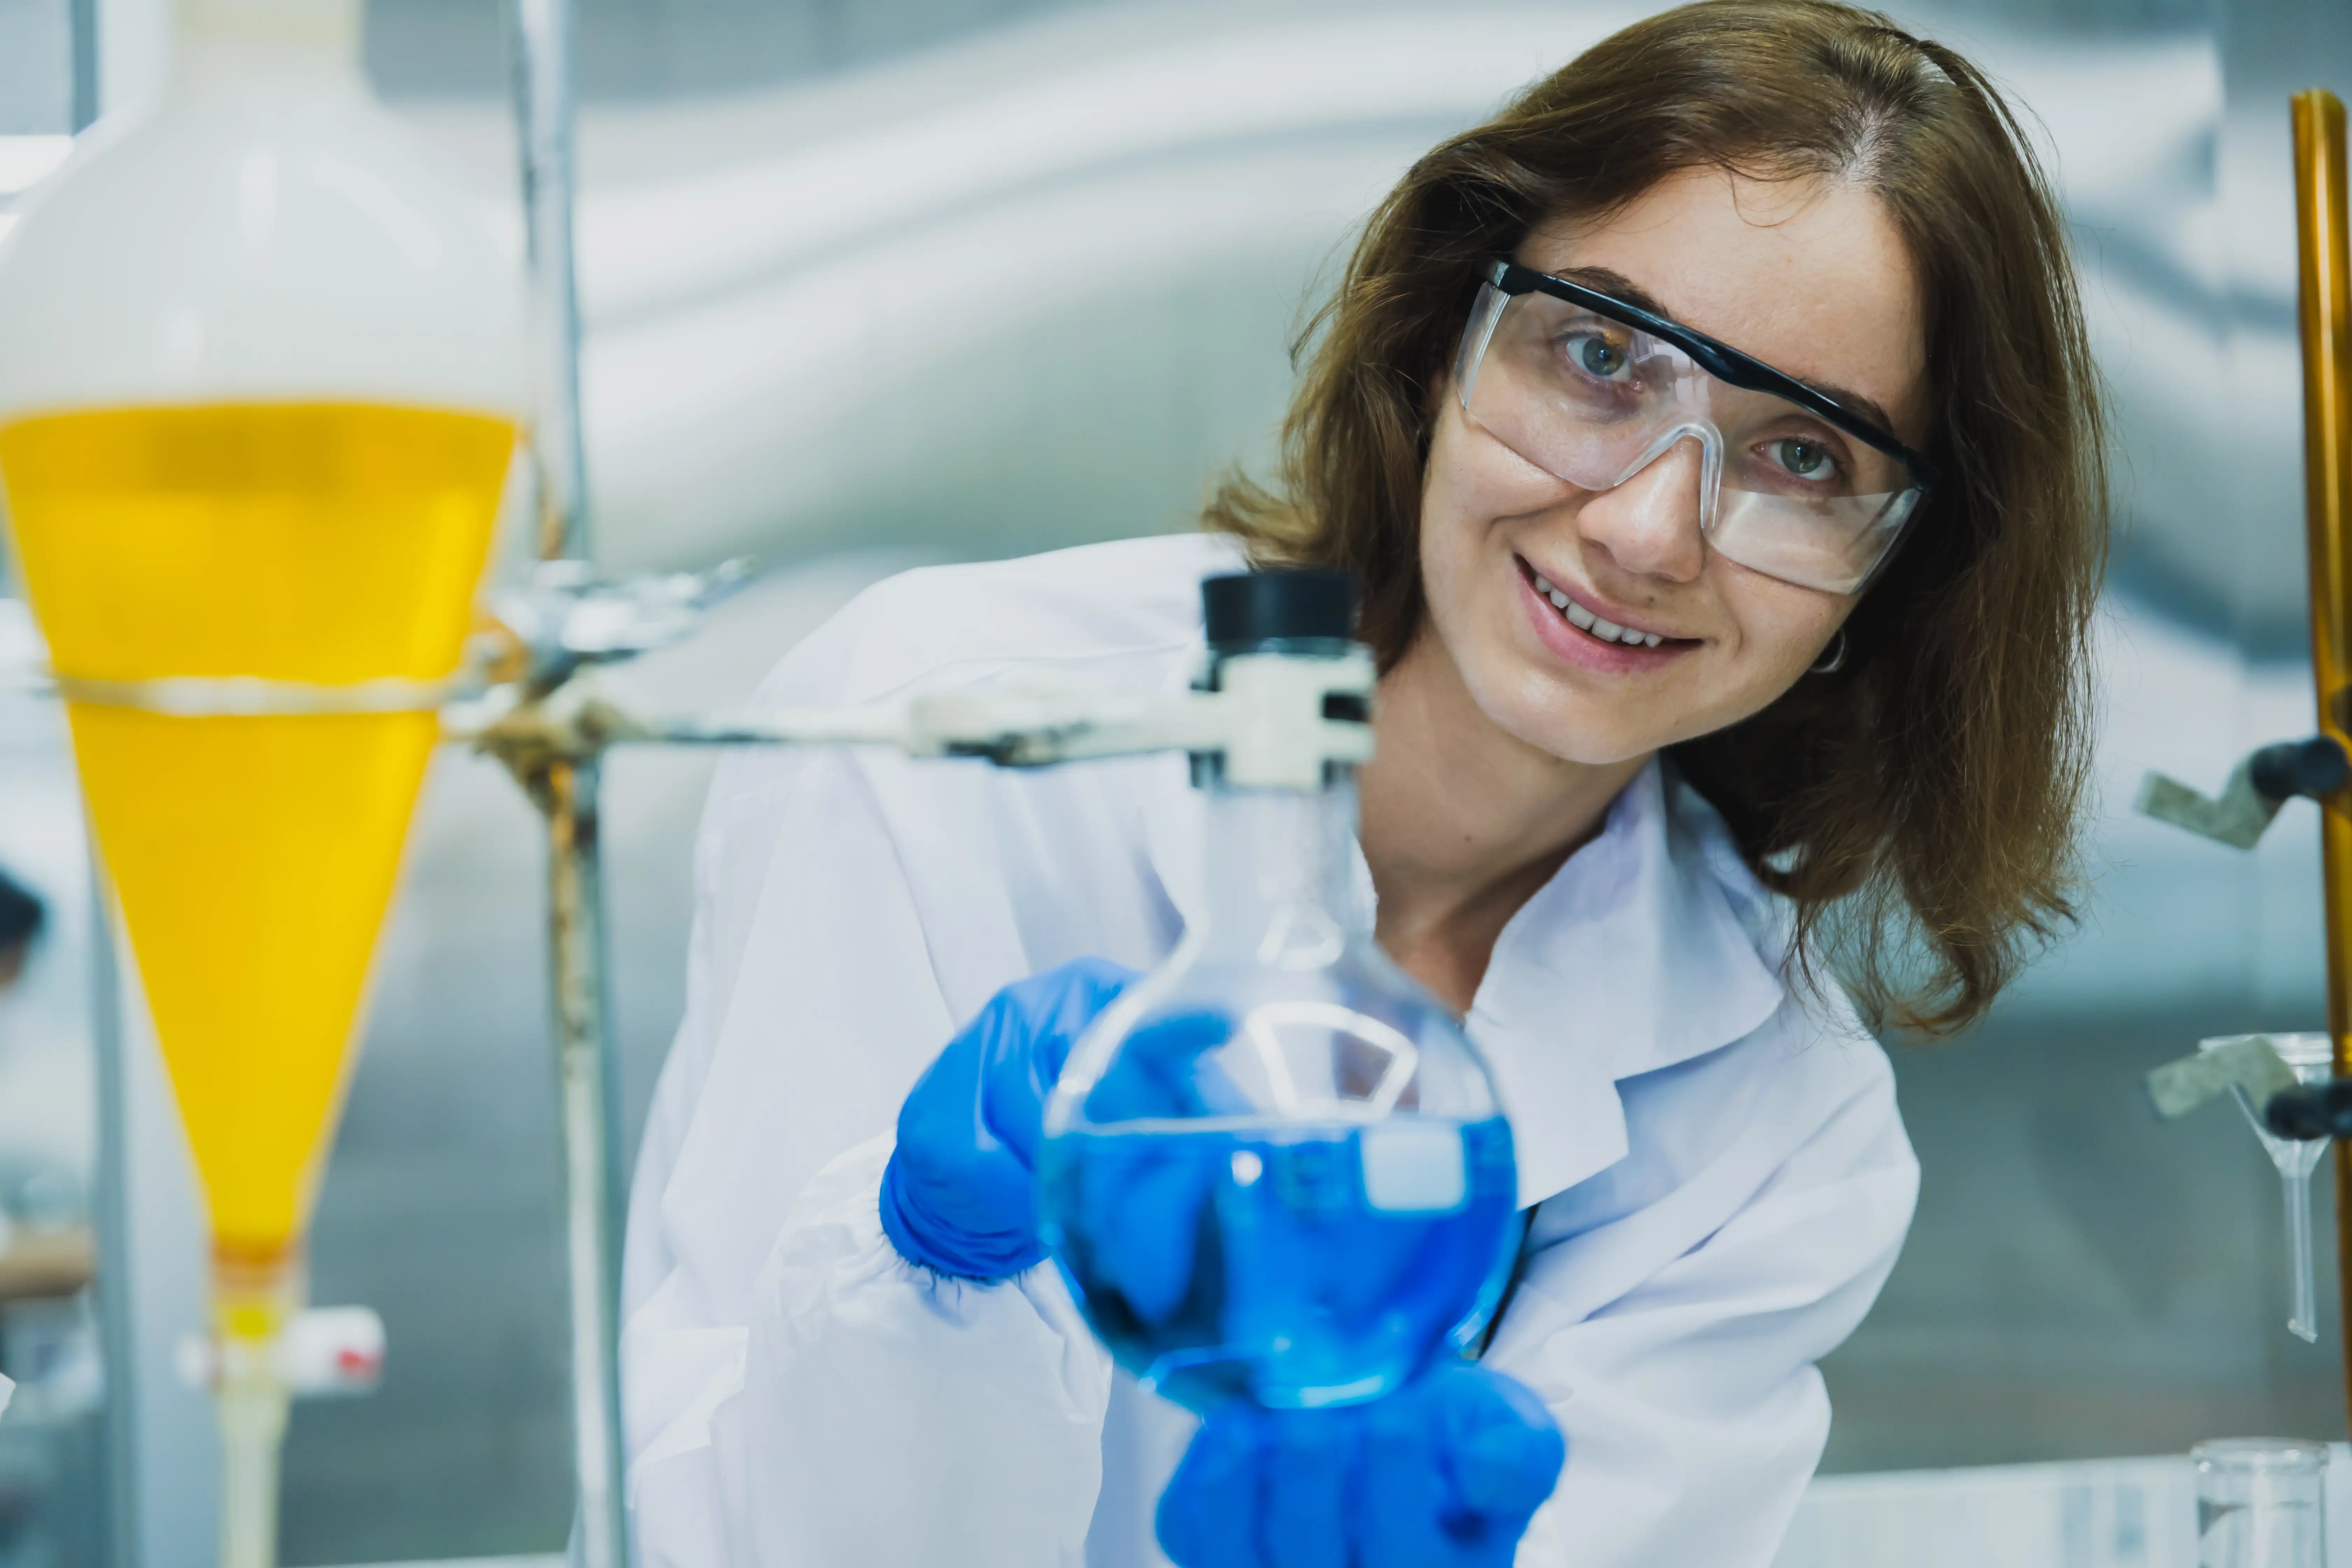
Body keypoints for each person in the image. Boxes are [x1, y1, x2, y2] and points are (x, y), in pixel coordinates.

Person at [620, 1, 2106, 1563]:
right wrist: (922, 1272)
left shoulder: (1776, 1133)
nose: (1651, 531)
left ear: (1900, 575)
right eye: (1600, 355)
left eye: (1805, 456)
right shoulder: (942, 740)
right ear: (1446, 336)